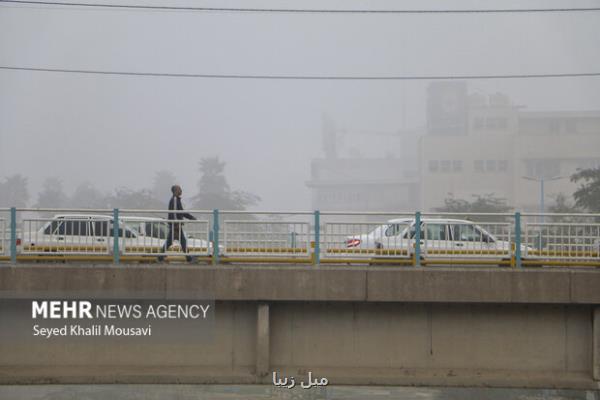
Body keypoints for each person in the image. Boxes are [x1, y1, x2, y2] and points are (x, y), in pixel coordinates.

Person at [158, 185, 196, 262]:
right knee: (181, 241)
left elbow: (181, 212)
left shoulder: (176, 199)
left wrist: (191, 217)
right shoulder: (175, 199)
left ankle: (160, 257)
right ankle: (189, 258)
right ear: (175, 191)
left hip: (176, 224)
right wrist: (176, 224)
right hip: (175, 224)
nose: (181, 190)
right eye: (179, 189)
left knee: (174, 241)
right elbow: (174, 212)